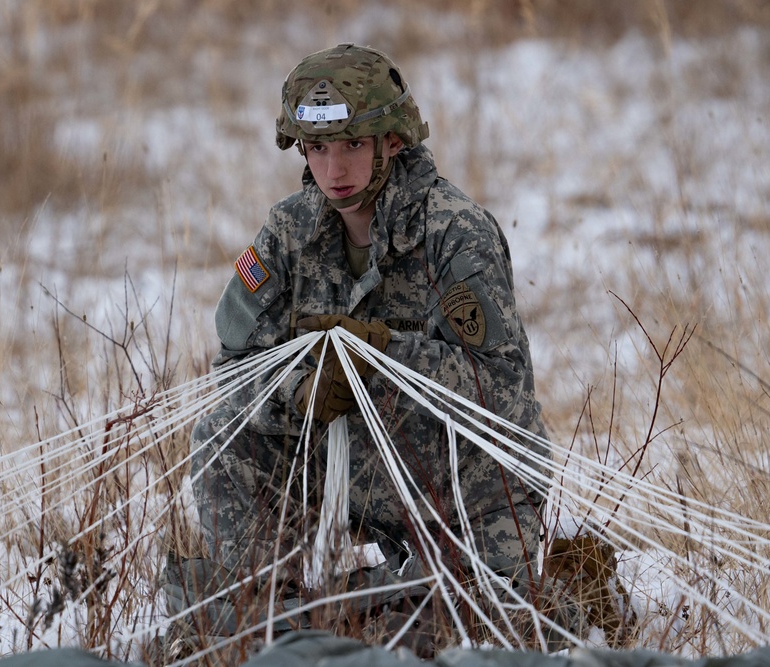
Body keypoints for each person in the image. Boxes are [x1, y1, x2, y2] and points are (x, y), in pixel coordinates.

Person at [189, 42, 552, 626]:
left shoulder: (455, 233)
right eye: (317, 148)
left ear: (394, 141)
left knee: (468, 634)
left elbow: (503, 398)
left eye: (353, 145)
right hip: (349, 476)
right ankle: (269, 613)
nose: (333, 170)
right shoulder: (288, 232)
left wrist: (384, 356)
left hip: (463, 486)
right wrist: (301, 391)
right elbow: (236, 368)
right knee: (223, 439)